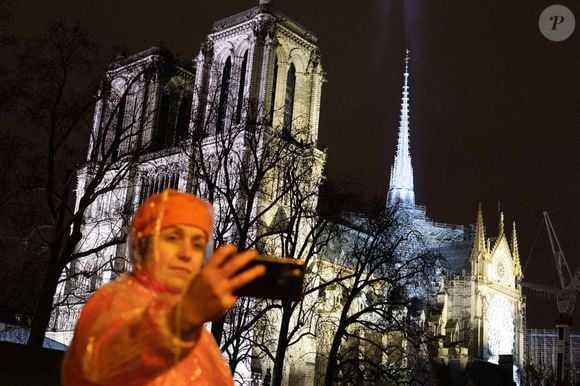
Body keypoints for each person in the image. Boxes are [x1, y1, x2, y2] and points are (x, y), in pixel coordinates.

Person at [61, 189, 265, 385]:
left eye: (197, 244)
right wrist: (181, 318)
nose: (186, 253)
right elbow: (104, 364)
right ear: (145, 244)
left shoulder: (200, 338)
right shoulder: (112, 301)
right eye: (173, 238)